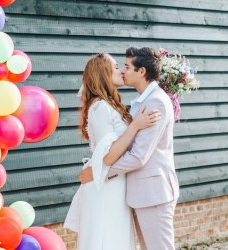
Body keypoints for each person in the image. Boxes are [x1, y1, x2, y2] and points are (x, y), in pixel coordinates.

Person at [79, 47, 180, 250]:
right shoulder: (137, 103)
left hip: (153, 192)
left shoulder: (155, 103)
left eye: (125, 66)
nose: (123, 71)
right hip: (138, 193)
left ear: (141, 71)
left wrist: (99, 172)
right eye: (119, 67)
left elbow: (138, 157)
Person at [64, 53, 161, 250]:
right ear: (103, 73)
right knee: (105, 238)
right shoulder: (99, 107)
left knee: (116, 237)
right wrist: (135, 126)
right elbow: (107, 156)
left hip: (113, 182)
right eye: (116, 66)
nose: (122, 71)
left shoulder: (110, 105)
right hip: (104, 186)